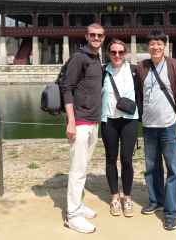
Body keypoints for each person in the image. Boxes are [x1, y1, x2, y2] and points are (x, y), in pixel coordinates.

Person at [136, 30, 176, 231]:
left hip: (169, 125)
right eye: (152, 44)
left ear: (164, 46)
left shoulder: (174, 65)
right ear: (147, 46)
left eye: (159, 44)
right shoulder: (142, 67)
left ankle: (170, 212)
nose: (155, 47)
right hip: (149, 126)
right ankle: (156, 199)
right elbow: (140, 95)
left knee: (173, 169)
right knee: (151, 167)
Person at [61, 23, 105, 234]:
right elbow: (67, 88)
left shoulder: (96, 57)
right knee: (77, 170)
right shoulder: (79, 57)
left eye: (100, 35)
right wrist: (71, 120)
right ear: (87, 36)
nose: (96, 38)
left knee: (84, 166)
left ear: (103, 38)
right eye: (93, 35)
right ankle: (72, 215)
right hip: (79, 122)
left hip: (93, 121)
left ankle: (78, 205)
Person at [100, 39, 139, 217]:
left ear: (126, 53)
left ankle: (127, 197)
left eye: (121, 52)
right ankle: (115, 197)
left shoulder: (134, 71)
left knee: (126, 159)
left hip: (129, 120)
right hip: (109, 120)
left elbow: (143, 94)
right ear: (108, 53)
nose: (117, 55)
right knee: (110, 158)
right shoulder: (102, 71)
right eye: (113, 52)